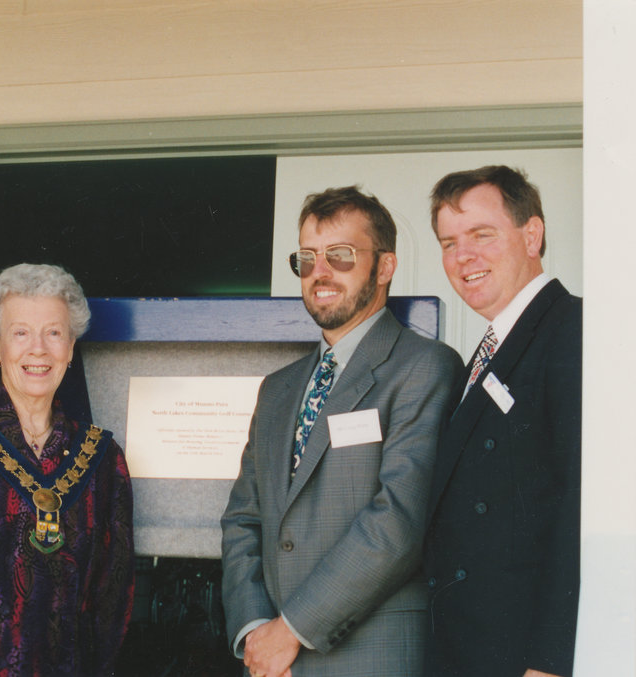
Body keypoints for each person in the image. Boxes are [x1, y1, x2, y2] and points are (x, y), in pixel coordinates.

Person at [221, 186, 462, 677]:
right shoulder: (278, 389)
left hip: (371, 657)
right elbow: (243, 520)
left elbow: (397, 522)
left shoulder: (424, 368)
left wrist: (290, 630)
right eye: (307, 258)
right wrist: (256, 632)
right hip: (273, 664)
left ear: (385, 266)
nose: (320, 272)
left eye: (341, 255)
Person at [0, 263, 135, 676]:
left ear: (71, 347)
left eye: (53, 333)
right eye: (21, 333)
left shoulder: (103, 458)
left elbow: (112, 600)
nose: (38, 349)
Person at [422, 166, 581, 677]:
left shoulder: (574, 330)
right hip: (465, 649)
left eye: (481, 235)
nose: (462, 256)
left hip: (520, 659)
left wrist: (550, 662)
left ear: (531, 235)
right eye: (449, 243)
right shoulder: (491, 348)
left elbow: (578, 508)